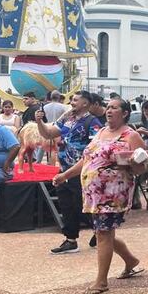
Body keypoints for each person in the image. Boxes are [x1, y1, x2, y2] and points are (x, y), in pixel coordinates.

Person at [53, 97, 145, 294]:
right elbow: (87, 159)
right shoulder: (101, 132)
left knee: (103, 233)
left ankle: (101, 282)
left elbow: (142, 167)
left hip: (113, 194)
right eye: (108, 107)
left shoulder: (131, 135)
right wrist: (65, 175)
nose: (109, 111)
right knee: (103, 231)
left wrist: (133, 162)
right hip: (93, 194)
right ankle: (131, 260)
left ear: (125, 113)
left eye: (114, 108)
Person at [36, 90, 103, 255]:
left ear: (85, 103)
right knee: (66, 205)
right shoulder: (67, 118)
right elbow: (48, 133)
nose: (71, 102)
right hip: (64, 170)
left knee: (82, 206)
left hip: (82, 172)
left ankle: (101, 231)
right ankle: (70, 240)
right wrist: (39, 121)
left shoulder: (93, 123)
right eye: (72, 99)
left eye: (75, 100)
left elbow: (94, 151)